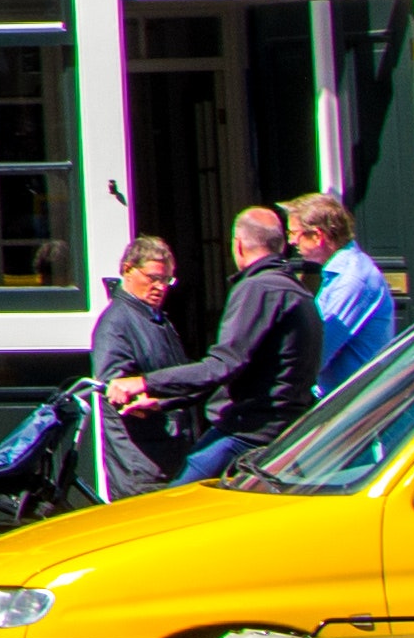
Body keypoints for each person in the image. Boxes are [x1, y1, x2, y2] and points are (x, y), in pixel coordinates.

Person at [118, 204, 324, 484]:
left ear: (238, 245)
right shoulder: (295, 290)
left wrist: (144, 382)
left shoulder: (258, 289)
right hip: (283, 430)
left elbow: (223, 366)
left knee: (175, 509)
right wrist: (168, 399)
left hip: (248, 432)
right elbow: (245, 370)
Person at [83, 235, 193, 496]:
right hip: (142, 467)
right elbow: (118, 390)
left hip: (167, 457)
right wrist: (157, 401)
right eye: (152, 278)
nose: (160, 287)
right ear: (127, 271)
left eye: (166, 280)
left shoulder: (157, 320)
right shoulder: (117, 323)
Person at [292, 192, 403, 388]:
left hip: (356, 406)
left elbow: (318, 353)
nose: (292, 242)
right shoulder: (338, 274)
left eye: (294, 233)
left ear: (318, 236)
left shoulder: (352, 280)